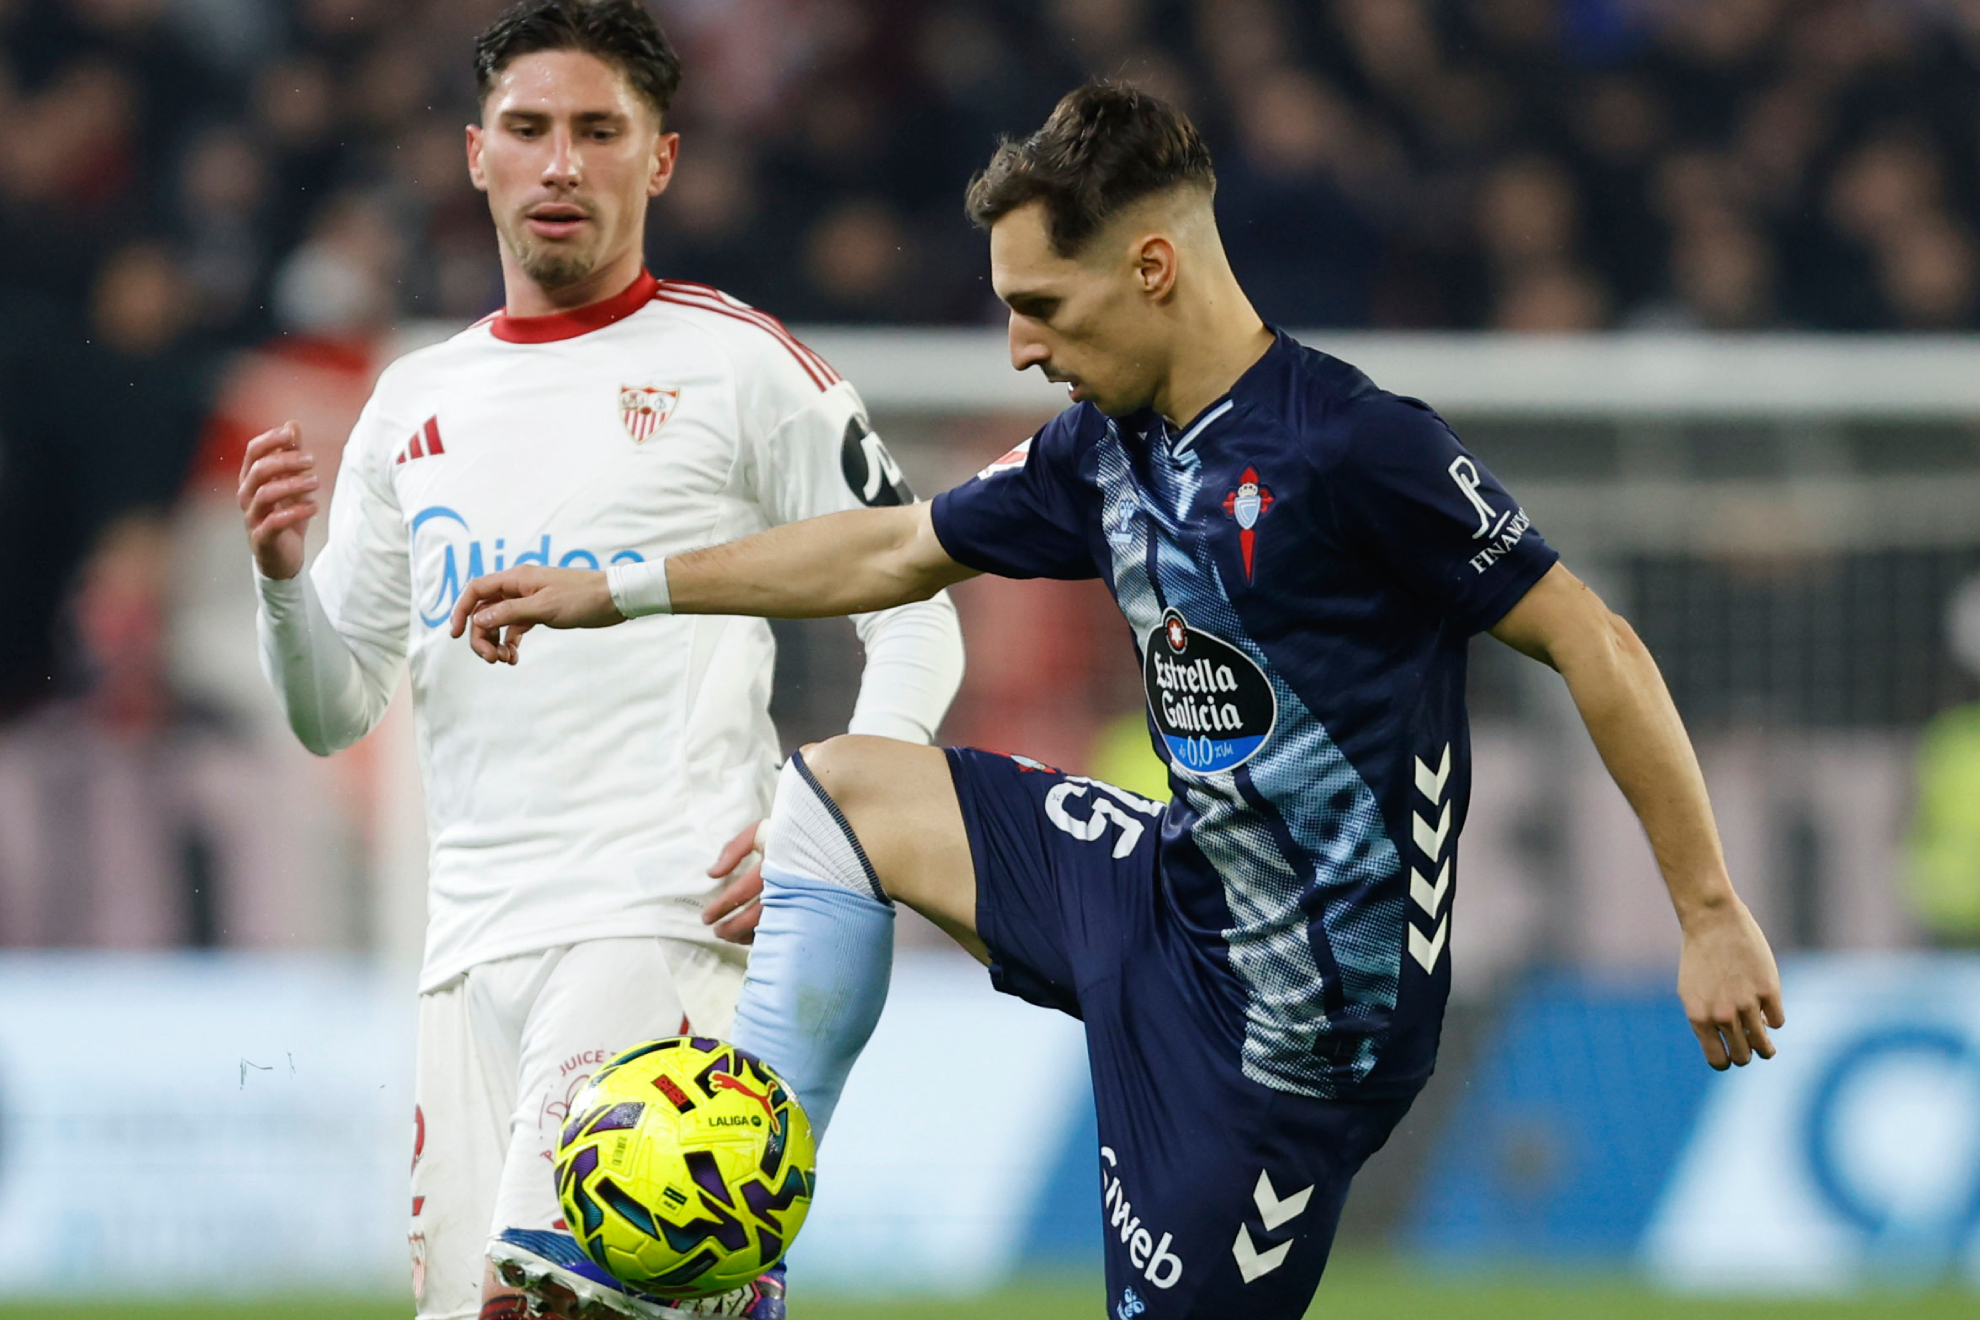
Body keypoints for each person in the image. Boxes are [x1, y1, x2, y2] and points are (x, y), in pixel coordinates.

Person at [448, 83, 1784, 1320]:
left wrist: (1711, 911)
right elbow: (895, 547)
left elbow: (1597, 644)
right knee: (843, 792)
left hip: (1297, 1048)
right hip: (1164, 892)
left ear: (1153, 269)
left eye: (1043, 305)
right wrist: (616, 588)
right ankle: (738, 1257)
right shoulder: (1105, 449)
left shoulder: (1354, 447)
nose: (1021, 348)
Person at [234, 3, 965, 1319]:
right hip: (468, 945)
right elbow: (334, 709)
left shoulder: (740, 366)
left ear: (661, 160)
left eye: (596, 131)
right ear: (475, 154)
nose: (559, 164)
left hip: (660, 908)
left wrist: (838, 830)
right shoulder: (413, 399)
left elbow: (917, 606)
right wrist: (284, 582)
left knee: (551, 1300)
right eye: (528, 130)